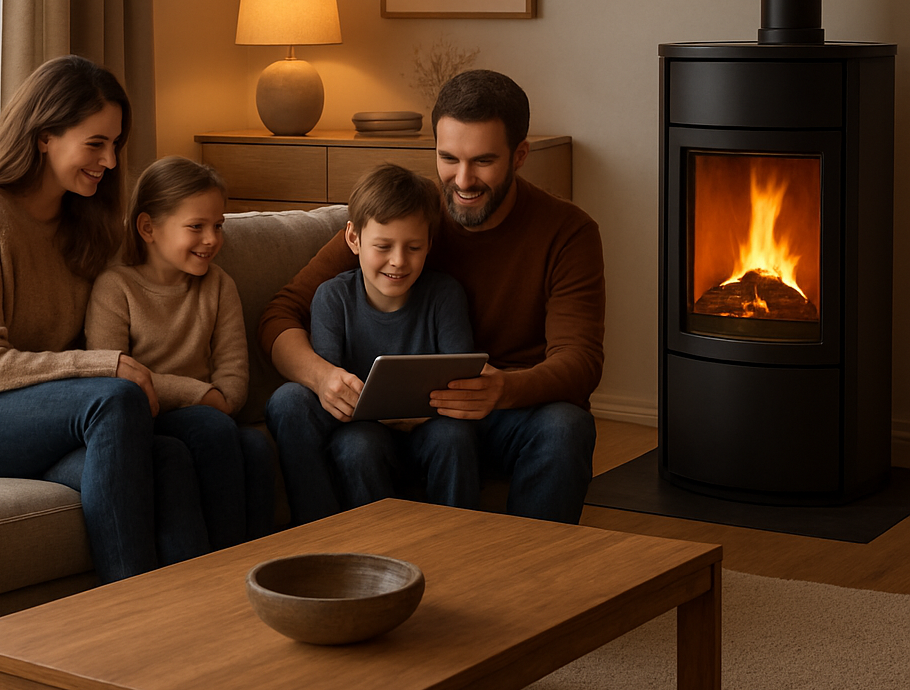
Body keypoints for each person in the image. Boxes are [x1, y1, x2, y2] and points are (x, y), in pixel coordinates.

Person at [0, 55, 208, 582]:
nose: (109, 161)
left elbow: (104, 349)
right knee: (113, 398)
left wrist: (195, 393)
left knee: (168, 456)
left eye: (115, 144)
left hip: (22, 415)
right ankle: (127, 613)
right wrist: (107, 368)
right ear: (44, 136)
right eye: (95, 143)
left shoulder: (83, 225)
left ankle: (193, 625)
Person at [259, 69, 605, 524]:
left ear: (519, 155)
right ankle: (323, 551)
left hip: (503, 410)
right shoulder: (409, 216)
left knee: (567, 426)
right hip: (393, 418)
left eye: (483, 161)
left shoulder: (569, 232)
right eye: (448, 158)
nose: (462, 181)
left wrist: (502, 388)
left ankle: (529, 578)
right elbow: (280, 314)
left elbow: (580, 361)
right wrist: (323, 377)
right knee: (290, 402)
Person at [265, 163, 477, 523]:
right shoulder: (332, 297)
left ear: (429, 245)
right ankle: (340, 543)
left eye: (414, 247)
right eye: (383, 246)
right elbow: (328, 388)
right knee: (346, 437)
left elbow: (460, 375)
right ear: (354, 239)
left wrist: (426, 410)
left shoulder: (444, 294)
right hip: (360, 430)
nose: (398, 261)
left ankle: (457, 543)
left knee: (454, 438)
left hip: (432, 426)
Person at [85, 156, 276, 543]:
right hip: (146, 417)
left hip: (212, 414)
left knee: (256, 445)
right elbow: (111, 373)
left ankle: (259, 566)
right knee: (210, 429)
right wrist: (200, 395)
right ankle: (226, 564)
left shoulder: (219, 285)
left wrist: (220, 399)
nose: (212, 239)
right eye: (196, 227)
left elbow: (234, 371)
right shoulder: (115, 288)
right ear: (148, 227)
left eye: (218, 226)